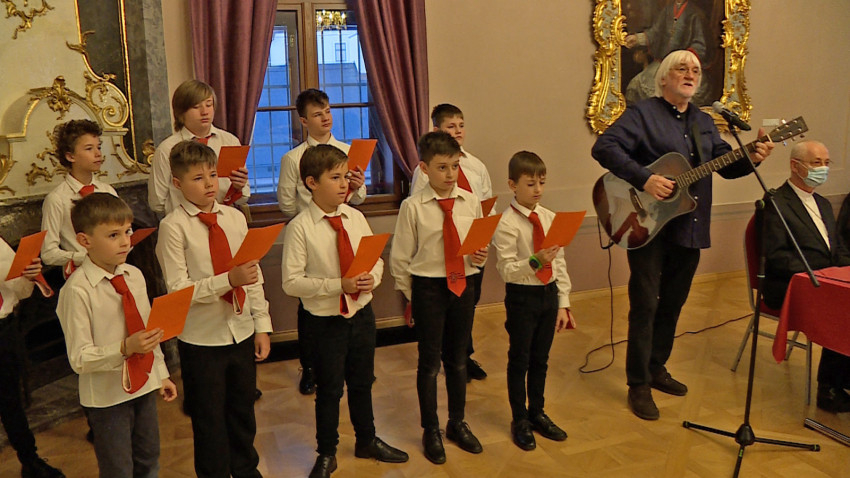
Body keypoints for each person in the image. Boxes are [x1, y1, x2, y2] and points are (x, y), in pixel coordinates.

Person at [591, 49, 774, 421]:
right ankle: (638, 384)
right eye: (682, 68)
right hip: (646, 224)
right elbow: (603, 147)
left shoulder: (704, 122)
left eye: (695, 70)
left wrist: (753, 156)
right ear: (663, 77)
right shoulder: (642, 114)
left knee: (673, 302)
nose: (691, 73)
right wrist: (646, 178)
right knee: (646, 304)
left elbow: (726, 166)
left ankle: (656, 367)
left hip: (689, 225)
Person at [281, 145, 408, 477]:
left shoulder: (356, 217)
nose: (344, 184)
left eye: (345, 177)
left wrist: (371, 279)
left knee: (363, 382)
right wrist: (339, 285)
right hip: (325, 322)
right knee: (329, 390)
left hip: (361, 314)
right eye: (335, 178)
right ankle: (327, 452)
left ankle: (367, 440)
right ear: (311, 183)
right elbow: (291, 282)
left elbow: (375, 261)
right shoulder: (300, 227)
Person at [155, 141, 272, 477]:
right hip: (201, 339)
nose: (208, 184)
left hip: (241, 330)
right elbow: (178, 289)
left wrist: (262, 324)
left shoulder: (234, 218)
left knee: (243, 411)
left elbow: (252, 275)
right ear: (177, 183)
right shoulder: (173, 227)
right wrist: (227, 281)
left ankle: (246, 469)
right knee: (208, 419)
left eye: (211, 175)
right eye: (197, 178)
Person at [56, 193, 176, 477]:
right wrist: (124, 348)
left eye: (128, 232)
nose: (125, 242)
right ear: (84, 240)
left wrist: (161, 374)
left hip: (144, 384)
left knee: (149, 459)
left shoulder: (134, 275)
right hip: (107, 398)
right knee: (118, 469)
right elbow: (79, 359)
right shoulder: (77, 291)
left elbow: (148, 331)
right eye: (113, 235)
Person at [390, 131, 488, 464]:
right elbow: (401, 259)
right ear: (424, 168)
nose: (450, 174)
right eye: (442, 167)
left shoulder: (470, 201)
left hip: (463, 286)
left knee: (458, 359)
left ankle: (457, 422)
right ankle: (430, 429)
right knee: (430, 363)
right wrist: (413, 297)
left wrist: (479, 257)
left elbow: (477, 246)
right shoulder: (413, 207)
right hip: (429, 289)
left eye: (455, 166)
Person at [276, 88, 367, 396]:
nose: (325, 118)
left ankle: (354, 364)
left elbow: (359, 198)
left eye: (327, 111)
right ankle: (310, 368)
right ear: (304, 121)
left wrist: (357, 187)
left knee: (351, 297)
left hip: (344, 227)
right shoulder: (293, 158)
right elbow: (286, 203)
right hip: (311, 230)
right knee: (310, 308)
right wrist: (311, 217)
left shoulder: (347, 151)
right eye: (317, 114)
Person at [492, 151, 574, 451]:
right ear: (512, 185)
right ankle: (520, 419)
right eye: (530, 184)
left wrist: (563, 303)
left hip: (548, 295)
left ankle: (537, 412)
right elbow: (506, 270)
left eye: (542, 182)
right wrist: (535, 261)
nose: (538, 189)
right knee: (520, 359)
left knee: (541, 359)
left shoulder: (549, 217)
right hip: (522, 297)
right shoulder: (506, 223)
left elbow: (560, 262)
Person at [762, 141, 850, 413]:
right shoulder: (775, 202)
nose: (823, 168)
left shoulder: (822, 203)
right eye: (816, 163)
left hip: (827, 280)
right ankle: (829, 388)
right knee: (844, 309)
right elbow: (777, 256)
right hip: (793, 284)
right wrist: (823, 272)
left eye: (826, 163)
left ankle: (844, 379)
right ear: (795, 166)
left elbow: (837, 248)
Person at [410, 103, 493, 382]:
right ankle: (445, 358)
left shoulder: (476, 166)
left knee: (467, 306)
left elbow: (486, 203)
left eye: (461, 126)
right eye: (451, 126)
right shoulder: (424, 171)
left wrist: (484, 236)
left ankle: (462, 357)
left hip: (472, 251)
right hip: (441, 254)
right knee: (442, 309)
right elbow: (418, 208)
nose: (457, 131)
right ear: (437, 130)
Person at [0, 240, 64, 477]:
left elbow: (21, 291)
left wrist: (28, 276)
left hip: (3, 329)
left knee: (11, 400)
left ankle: (30, 460)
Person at [148, 79, 250, 215]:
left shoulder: (229, 141)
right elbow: (157, 202)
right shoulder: (167, 149)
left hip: (224, 217)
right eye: (196, 107)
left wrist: (238, 187)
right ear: (181, 112)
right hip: (184, 221)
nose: (204, 112)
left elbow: (244, 197)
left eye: (209, 105)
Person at [41, 119, 118, 277]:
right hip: (81, 275)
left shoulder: (107, 191)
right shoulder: (57, 199)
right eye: (89, 148)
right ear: (70, 156)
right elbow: (48, 253)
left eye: (98, 147)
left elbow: (125, 231)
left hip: (113, 270)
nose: (98, 154)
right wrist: (84, 257)